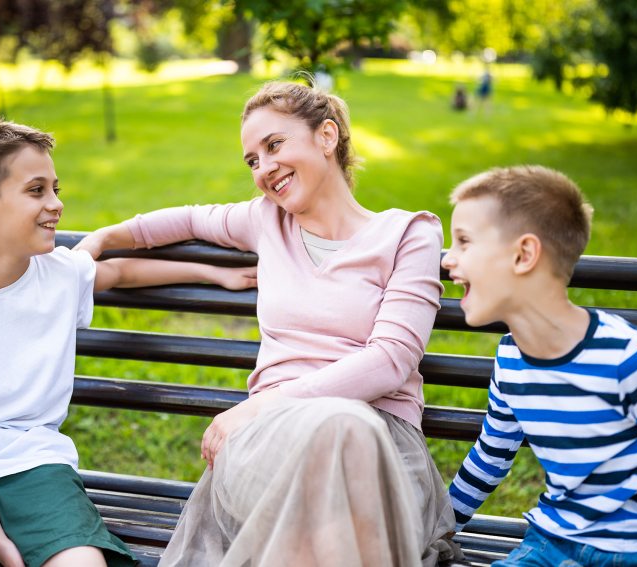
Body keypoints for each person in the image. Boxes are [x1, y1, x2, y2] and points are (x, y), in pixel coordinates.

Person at [75, 81, 462, 566]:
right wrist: (103, 237)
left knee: (344, 430)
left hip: (377, 440)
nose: (263, 169)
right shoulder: (266, 221)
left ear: (327, 136)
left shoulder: (409, 233)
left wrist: (259, 406)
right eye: (252, 160)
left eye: (274, 145)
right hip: (269, 444)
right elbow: (188, 220)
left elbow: (390, 361)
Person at [0, 119, 257, 567]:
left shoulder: (59, 273)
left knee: (81, 562)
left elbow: (121, 273)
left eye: (56, 189)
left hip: (30, 460)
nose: (56, 204)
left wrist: (214, 273)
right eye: (36, 191)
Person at [441, 165, 637, 566]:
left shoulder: (628, 357)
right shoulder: (511, 360)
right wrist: (435, 527)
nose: (448, 260)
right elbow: (490, 456)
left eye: (464, 242)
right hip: (554, 543)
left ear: (524, 255)